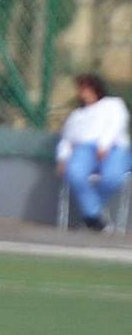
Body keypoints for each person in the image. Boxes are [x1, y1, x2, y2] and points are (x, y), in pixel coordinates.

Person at [57, 73, 131, 231]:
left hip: (114, 149)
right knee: (75, 172)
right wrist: (62, 158)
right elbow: (67, 140)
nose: (83, 93)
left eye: (87, 89)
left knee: (113, 177)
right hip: (84, 151)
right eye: (81, 89)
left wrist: (104, 144)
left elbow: (116, 123)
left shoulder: (113, 104)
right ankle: (94, 215)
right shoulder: (76, 115)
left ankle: (92, 215)